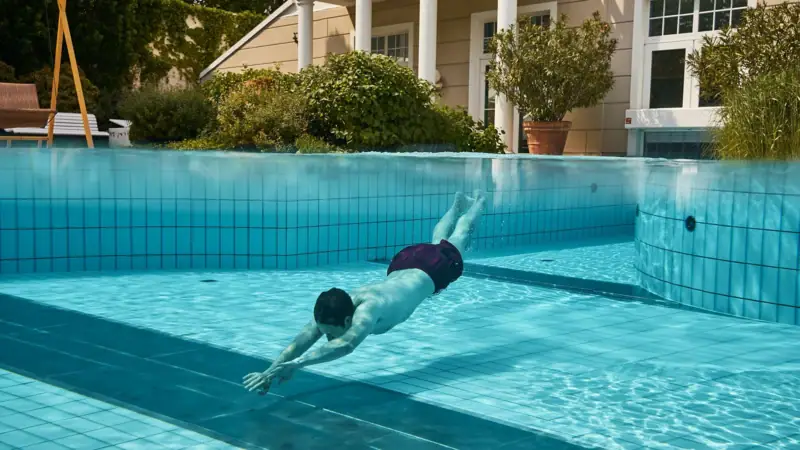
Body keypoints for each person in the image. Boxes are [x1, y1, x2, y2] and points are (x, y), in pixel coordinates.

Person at [243, 190, 487, 394]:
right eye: (326, 334)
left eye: (329, 334)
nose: (328, 339)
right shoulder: (336, 306)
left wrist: (297, 365)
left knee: (459, 236)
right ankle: (456, 207)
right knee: (437, 242)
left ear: (349, 319)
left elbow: (346, 345)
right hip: (405, 262)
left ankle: (479, 201)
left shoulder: (369, 309)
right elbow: (300, 341)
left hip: (431, 268)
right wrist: (268, 373)